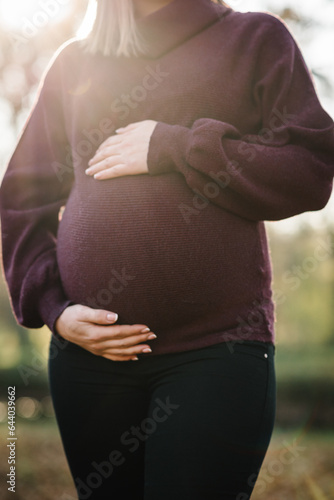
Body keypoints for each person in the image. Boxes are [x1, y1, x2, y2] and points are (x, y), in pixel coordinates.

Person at [1, 0, 333, 498]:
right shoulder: (74, 63)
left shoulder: (254, 39)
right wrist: (55, 310)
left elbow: (309, 168)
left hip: (215, 353)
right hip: (89, 363)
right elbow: (20, 201)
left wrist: (174, 147)